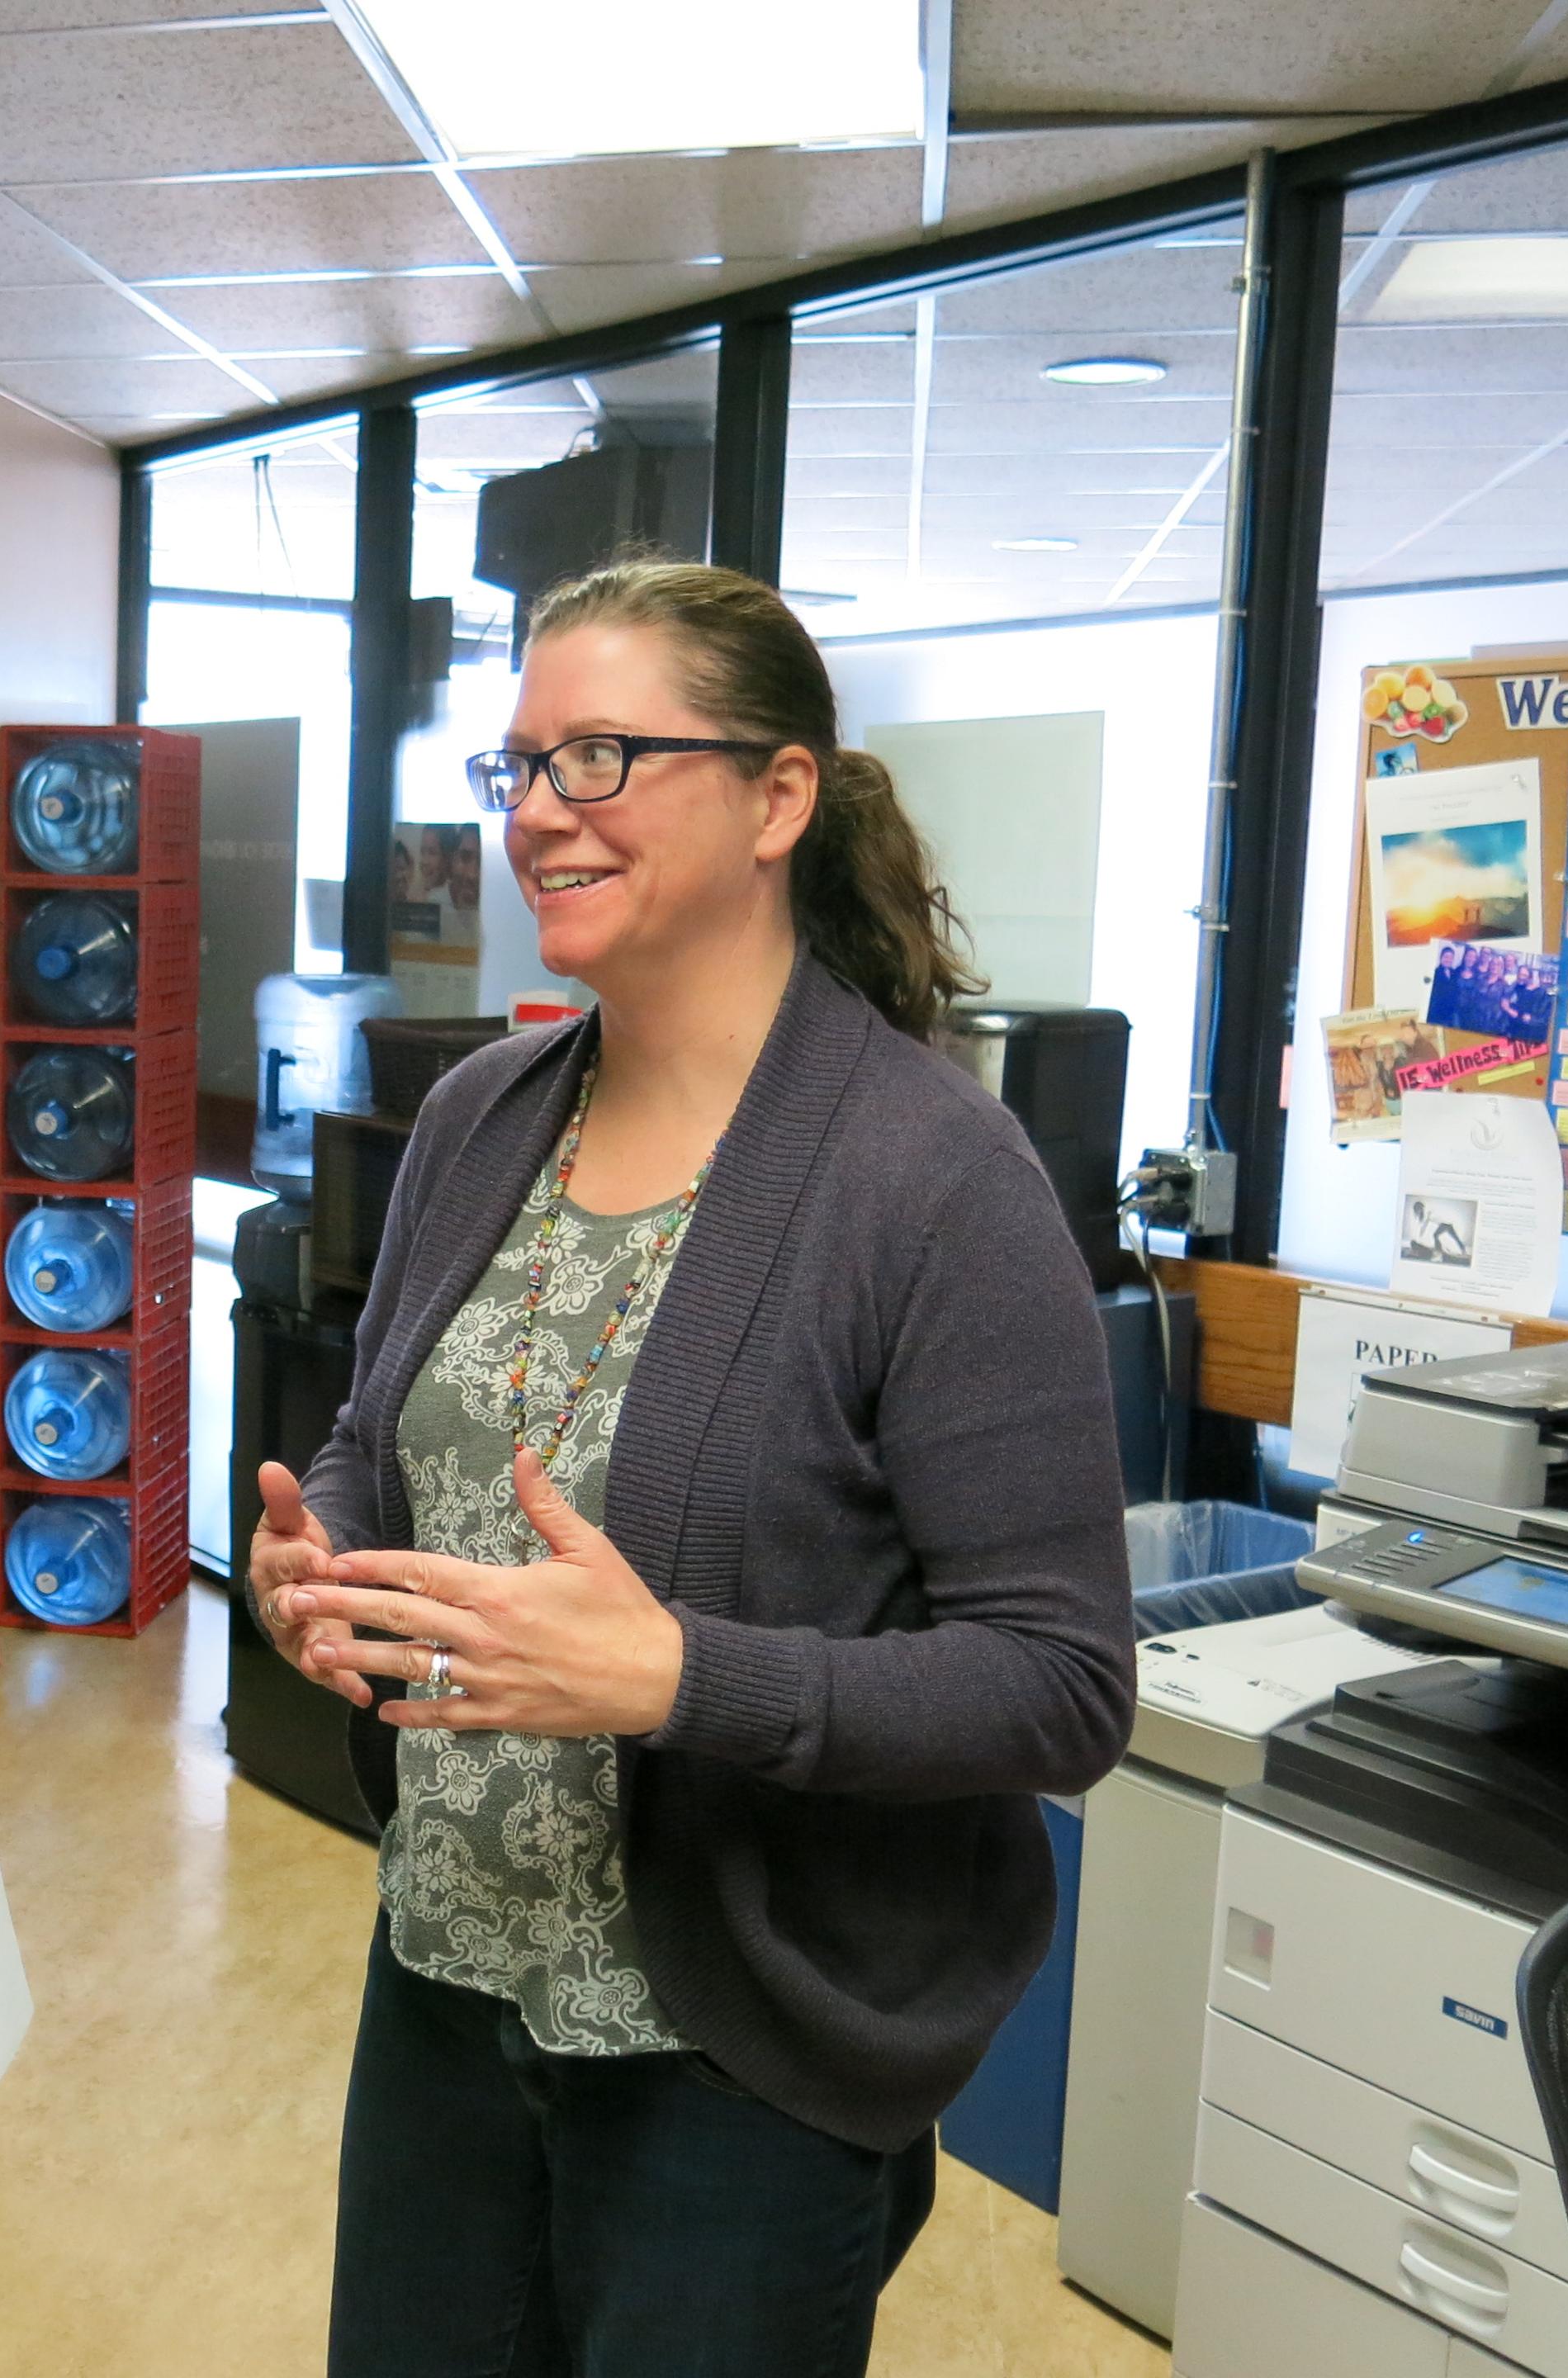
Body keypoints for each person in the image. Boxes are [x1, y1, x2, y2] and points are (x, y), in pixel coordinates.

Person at [249, 558, 1133, 2375]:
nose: (540, 816)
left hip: (736, 2051)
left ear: (778, 796)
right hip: (447, 1973)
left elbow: (1061, 1688)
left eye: (603, 757)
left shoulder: (934, 1181)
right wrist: (322, 1553)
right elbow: (374, 1444)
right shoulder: (489, 1114)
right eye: (518, 768)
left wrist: (673, 1677)